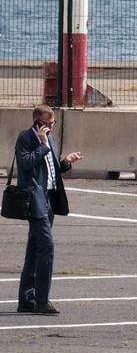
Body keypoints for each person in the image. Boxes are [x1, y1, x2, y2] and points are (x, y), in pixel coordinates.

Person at [15, 105, 82, 315]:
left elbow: (52, 168)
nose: (52, 127)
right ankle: (41, 301)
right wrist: (43, 145)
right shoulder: (26, 138)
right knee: (47, 246)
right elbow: (25, 164)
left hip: (49, 199)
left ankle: (26, 299)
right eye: (49, 124)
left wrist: (66, 162)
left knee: (35, 249)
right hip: (35, 200)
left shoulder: (49, 139)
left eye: (53, 124)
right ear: (38, 123)